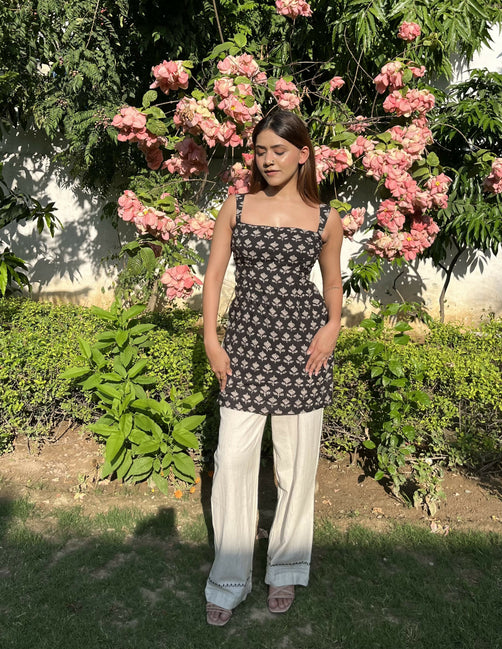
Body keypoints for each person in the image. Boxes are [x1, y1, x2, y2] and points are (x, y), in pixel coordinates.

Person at [202, 110, 343, 626]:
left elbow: (332, 283)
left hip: (303, 352)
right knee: (232, 462)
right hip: (244, 349)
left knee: (295, 469)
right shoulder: (237, 206)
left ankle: (285, 569)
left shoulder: (326, 218)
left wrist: (333, 326)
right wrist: (212, 339)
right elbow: (214, 277)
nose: (268, 160)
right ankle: (229, 578)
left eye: (278, 151)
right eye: (260, 151)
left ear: (303, 154)